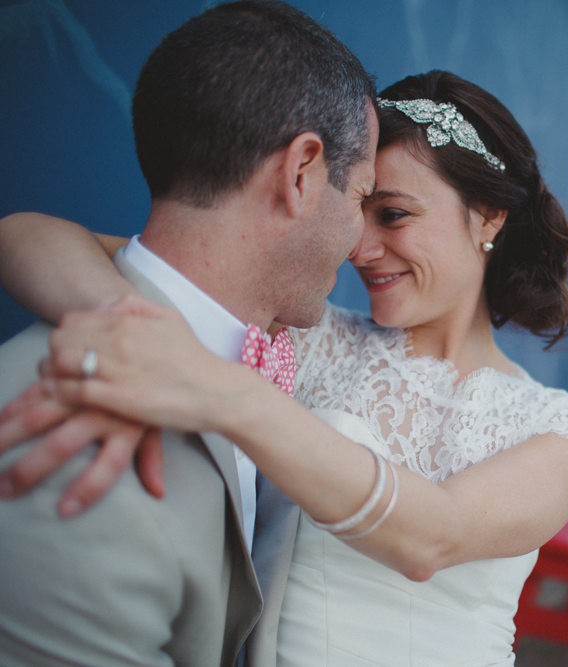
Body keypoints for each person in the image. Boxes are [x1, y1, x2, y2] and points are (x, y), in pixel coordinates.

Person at [0, 70, 568, 665]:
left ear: (488, 215)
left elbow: (435, 536)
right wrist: (127, 324)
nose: (360, 247)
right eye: (360, 209)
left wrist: (224, 392)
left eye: (394, 215)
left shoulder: (567, 432)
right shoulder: (307, 335)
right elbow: (25, 233)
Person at [0, 1, 378, 664]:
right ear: (300, 173)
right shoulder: (72, 464)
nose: (359, 240)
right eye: (363, 195)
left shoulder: (259, 344)